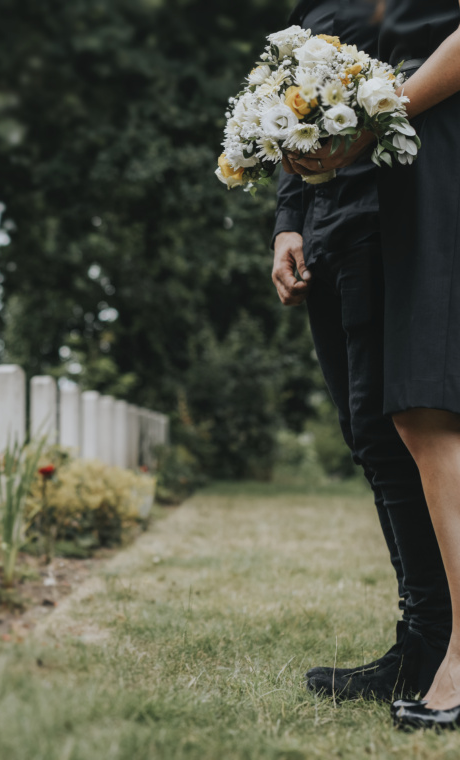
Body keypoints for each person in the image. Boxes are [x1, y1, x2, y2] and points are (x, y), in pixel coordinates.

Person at [273, 0, 452, 702]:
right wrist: (288, 219)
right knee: (369, 438)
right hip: (328, 228)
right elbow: (291, 101)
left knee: (406, 430)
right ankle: (420, 637)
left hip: (401, 217)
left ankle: (431, 644)